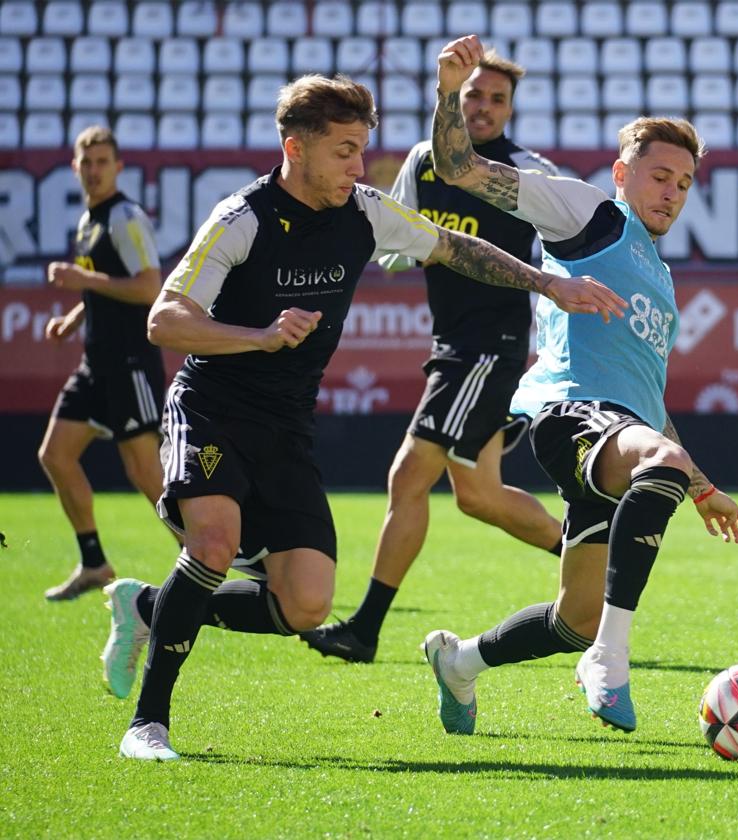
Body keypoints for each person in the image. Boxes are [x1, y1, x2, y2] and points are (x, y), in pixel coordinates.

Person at [98, 73, 626, 761]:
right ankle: (148, 725)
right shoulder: (242, 218)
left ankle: (144, 608)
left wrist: (549, 283)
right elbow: (166, 321)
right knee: (214, 544)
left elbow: (453, 247)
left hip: (286, 428)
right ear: (295, 148)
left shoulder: (366, 211)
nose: (359, 165)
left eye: (363, 149)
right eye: (345, 150)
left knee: (304, 606)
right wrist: (257, 336)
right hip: (212, 410)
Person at [419, 36, 738, 736]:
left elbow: (651, 408)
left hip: (617, 434)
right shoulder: (590, 215)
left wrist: (703, 485)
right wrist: (450, 92)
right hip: (569, 414)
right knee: (654, 468)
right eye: (660, 176)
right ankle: (611, 660)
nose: (673, 192)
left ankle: (462, 663)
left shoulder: (659, 276)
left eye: (684, 184)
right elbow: (457, 166)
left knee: (572, 619)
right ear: (622, 173)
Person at [300, 50, 564, 664]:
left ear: (511, 109)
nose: (484, 107)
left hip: (486, 349)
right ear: (455, 97)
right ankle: (592, 560)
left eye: (497, 99)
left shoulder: (528, 173)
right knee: (480, 497)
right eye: (474, 95)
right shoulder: (423, 160)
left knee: (407, 476)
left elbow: (567, 249)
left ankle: (364, 630)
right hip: (453, 346)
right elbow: (392, 249)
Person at [38, 126, 168, 601]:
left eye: (102, 162)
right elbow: (104, 283)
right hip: (97, 361)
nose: (94, 170)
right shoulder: (88, 221)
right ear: (75, 167)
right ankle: (94, 562)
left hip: (131, 360)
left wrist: (80, 282)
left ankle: (203, 563)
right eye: (86, 162)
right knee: (54, 455)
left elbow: (149, 287)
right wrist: (74, 319)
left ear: (118, 167)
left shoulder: (124, 218)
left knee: (145, 473)